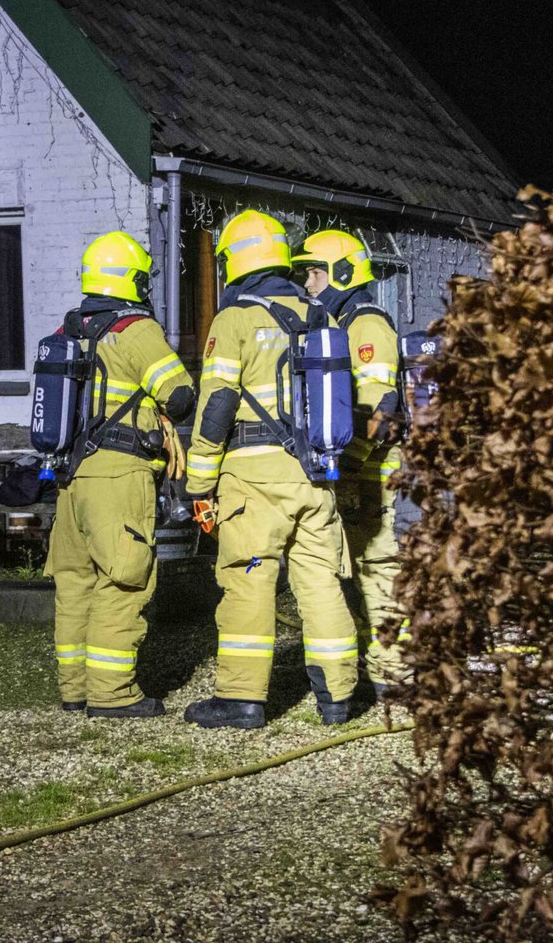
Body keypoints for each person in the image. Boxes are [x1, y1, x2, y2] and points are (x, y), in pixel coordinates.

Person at [182, 210, 360, 729]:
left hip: (254, 480)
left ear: (236, 260)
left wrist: (197, 484)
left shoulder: (235, 318)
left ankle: (241, 700)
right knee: (322, 583)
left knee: (249, 580)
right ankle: (339, 697)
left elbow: (216, 406)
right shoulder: (321, 315)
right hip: (314, 475)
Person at [46, 231, 194, 717]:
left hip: (71, 476)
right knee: (124, 577)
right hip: (118, 474)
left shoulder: (68, 332)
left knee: (74, 584)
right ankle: (112, 695)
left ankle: (75, 690)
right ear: (131, 279)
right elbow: (179, 395)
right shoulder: (134, 329)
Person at [293, 229, 410, 698]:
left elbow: (379, 404)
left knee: (381, 567)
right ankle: (376, 668)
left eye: (314, 272)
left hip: (373, 471)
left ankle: (394, 675)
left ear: (341, 272)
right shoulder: (338, 323)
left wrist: (349, 466)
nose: (307, 284)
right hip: (356, 470)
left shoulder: (365, 323)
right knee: (359, 568)